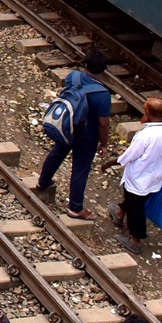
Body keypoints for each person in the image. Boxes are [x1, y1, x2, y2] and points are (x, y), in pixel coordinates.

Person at [35, 50, 115, 220]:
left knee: (57, 153)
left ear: (86, 64)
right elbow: (103, 123)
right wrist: (104, 144)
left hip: (67, 126)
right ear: (104, 70)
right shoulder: (103, 95)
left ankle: (43, 182)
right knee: (80, 169)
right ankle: (75, 208)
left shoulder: (74, 76)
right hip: (86, 136)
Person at [104, 96, 162, 254]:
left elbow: (128, 156)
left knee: (136, 208)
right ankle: (119, 213)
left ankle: (135, 239)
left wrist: (108, 164)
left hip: (138, 178)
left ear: (147, 111)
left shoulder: (145, 135)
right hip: (156, 179)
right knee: (137, 201)